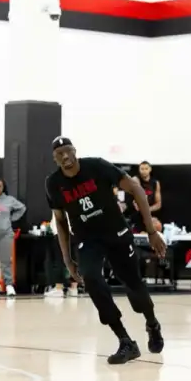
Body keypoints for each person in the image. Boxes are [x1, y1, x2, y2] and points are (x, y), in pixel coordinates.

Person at [45, 137, 166, 365]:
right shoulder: (53, 183)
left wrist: (151, 231)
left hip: (116, 233)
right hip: (88, 240)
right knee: (91, 279)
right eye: (60, 154)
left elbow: (136, 189)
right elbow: (60, 220)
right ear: (55, 159)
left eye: (68, 151)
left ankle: (152, 323)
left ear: (75, 151)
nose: (65, 156)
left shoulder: (97, 166)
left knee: (134, 286)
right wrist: (67, 259)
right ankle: (125, 341)